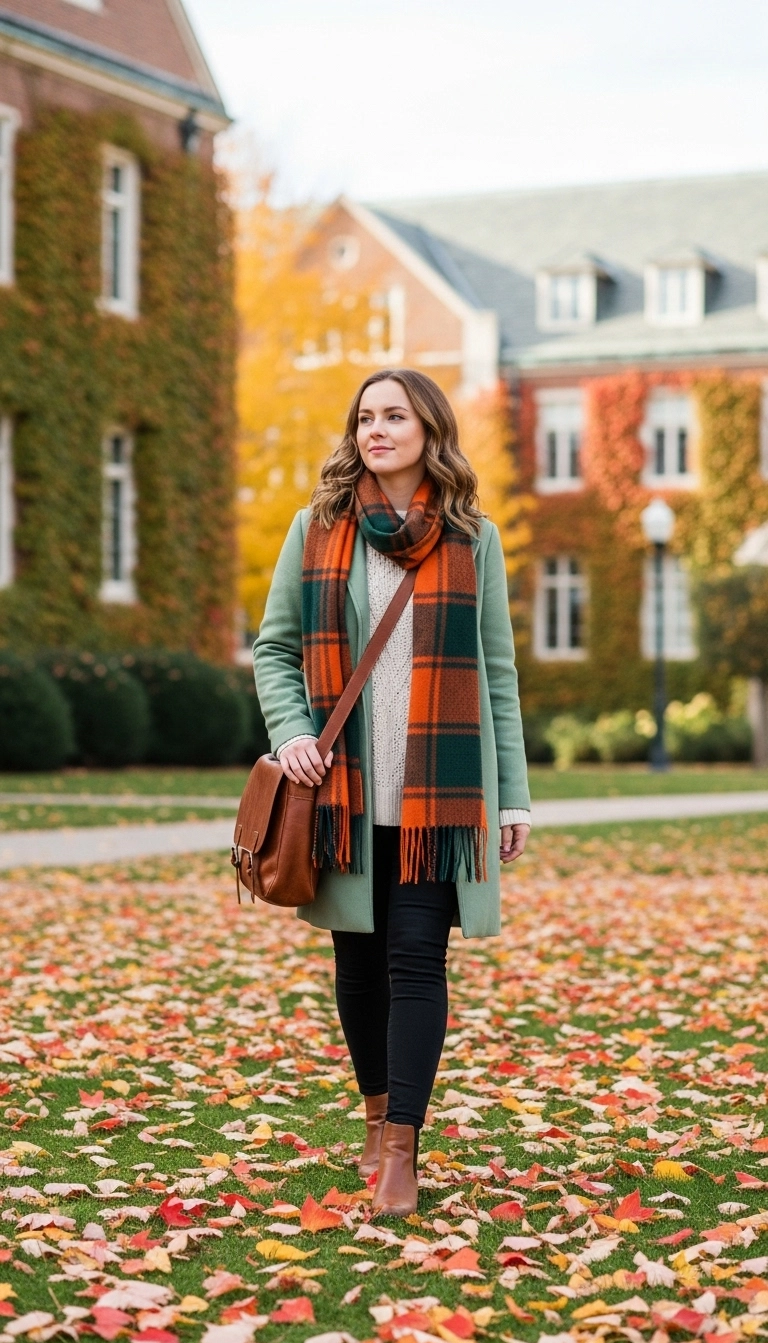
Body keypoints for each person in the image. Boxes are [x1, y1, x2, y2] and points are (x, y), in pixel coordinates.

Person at [253, 368, 531, 1216]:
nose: (377, 428)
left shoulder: (471, 538)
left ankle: (403, 1147)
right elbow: (275, 650)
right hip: (340, 793)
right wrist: (293, 733)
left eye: (394, 415)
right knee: (358, 963)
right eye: (366, 416)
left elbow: (497, 673)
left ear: (428, 429)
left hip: (435, 800)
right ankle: (374, 1113)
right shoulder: (317, 529)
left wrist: (512, 795)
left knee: (417, 960)